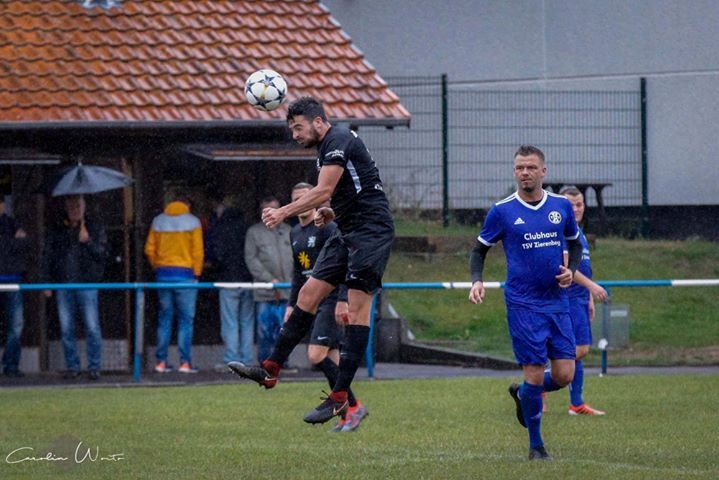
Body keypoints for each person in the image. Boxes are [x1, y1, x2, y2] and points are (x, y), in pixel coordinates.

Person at [229, 96, 395, 426]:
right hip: (347, 230)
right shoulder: (327, 149)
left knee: (357, 312)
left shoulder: (338, 139)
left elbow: (323, 190)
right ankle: (270, 368)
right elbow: (354, 189)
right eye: (292, 129)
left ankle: (340, 397)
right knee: (307, 294)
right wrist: (331, 212)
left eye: (298, 127)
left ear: (318, 122)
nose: (295, 135)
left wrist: (283, 212)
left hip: (371, 233)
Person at [468, 145, 583, 461]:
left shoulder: (560, 206)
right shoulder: (502, 211)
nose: (525, 173)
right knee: (533, 372)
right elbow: (479, 250)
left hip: (557, 302)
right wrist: (477, 280)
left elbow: (574, 244)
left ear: (543, 171)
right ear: (514, 171)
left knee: (564, 374)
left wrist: (571, 271)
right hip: (523, 304)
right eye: (520, 168)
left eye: (531, 167)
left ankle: (523, 393)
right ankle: (537, 446)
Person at [285, 182, 368, 432]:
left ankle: (354, 406)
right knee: (331, 358)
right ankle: (347, 414)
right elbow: (298, 274)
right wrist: (292, 304)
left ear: (313, 199)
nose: (301, 202)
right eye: (296, 199)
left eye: (305, 197)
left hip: (330, 300)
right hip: (312, 302)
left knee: (315, 355)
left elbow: (344, 264)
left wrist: (343, 299)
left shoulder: (328, 227)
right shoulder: (294, 233)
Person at [553, 185, 609, 415]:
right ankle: (538, 381)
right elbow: (567, 269)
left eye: (579, 204)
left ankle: (576, 403)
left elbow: (583, 266)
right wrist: (592, 287)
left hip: (579, 299)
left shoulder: (578, 232)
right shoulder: (560, 232)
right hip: (566, 299)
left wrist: (588, 298)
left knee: (578, 352)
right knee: (579, 350)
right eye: (571, 205)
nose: (576, 209)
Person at [42, 195, 107, 380]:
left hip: (87, 283)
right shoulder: (57, 228)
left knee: (92, 327)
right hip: (64, 284)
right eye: (71, 206)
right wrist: (46, 281)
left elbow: (102, 254)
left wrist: (88, 241)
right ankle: (73, 367)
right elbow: (48, 255)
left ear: (84, 207)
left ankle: (94, 367)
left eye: (78, 206)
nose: (74, 210)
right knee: (66, 329)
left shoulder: (93, 226)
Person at [144, 194, 204, 374]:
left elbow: (149, 250)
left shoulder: (158, 221)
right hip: (186, 276)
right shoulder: (193, 222)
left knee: (165, 318)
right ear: (187, 205)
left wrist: (158, 267)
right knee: (186, 320)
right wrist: (196, 273)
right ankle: (184, 362)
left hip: (163, 276)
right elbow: (198, 252)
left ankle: (161, 362)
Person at [243, 195, 293, 364]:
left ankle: (282, 362)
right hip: (264, 291)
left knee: (284, 329)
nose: (273, 213)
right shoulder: (254, 232)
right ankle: (265, 363)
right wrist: (268, 279)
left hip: (287, 290)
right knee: (264, 329)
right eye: (268, 210)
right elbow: (251, 259)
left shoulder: (289, 231)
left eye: (276, 209)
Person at [210, 195, 255, 369]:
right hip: (248, 280)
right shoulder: (246, 228)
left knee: (230, 322)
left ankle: (232, 358)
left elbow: (217, 254)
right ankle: (247, 358)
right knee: (246, 322)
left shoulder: (221, 229)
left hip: (228, 280)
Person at [0, 197, 28, 377]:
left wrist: (7, 244)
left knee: (16, 324)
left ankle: (11, 365)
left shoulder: (12, 223)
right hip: (10, 277)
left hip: (12, 280)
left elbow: (24, 245)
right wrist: (11, 242)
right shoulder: (13, 229)